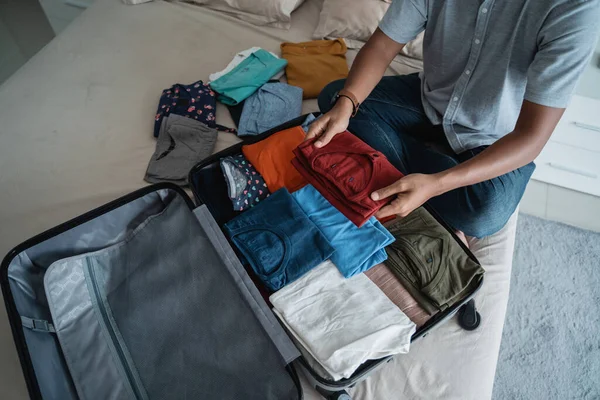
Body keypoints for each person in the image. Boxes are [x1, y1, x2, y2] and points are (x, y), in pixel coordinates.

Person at [307, 0, 600, 238]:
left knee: (486, 213)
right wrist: (348, 103)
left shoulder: (577, 8)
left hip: (495, 137)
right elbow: (383, 46)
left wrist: (437, 184)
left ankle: (420, 170)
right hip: (428, 99)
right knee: (336, 98)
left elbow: (531, 137)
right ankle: (432, 169)